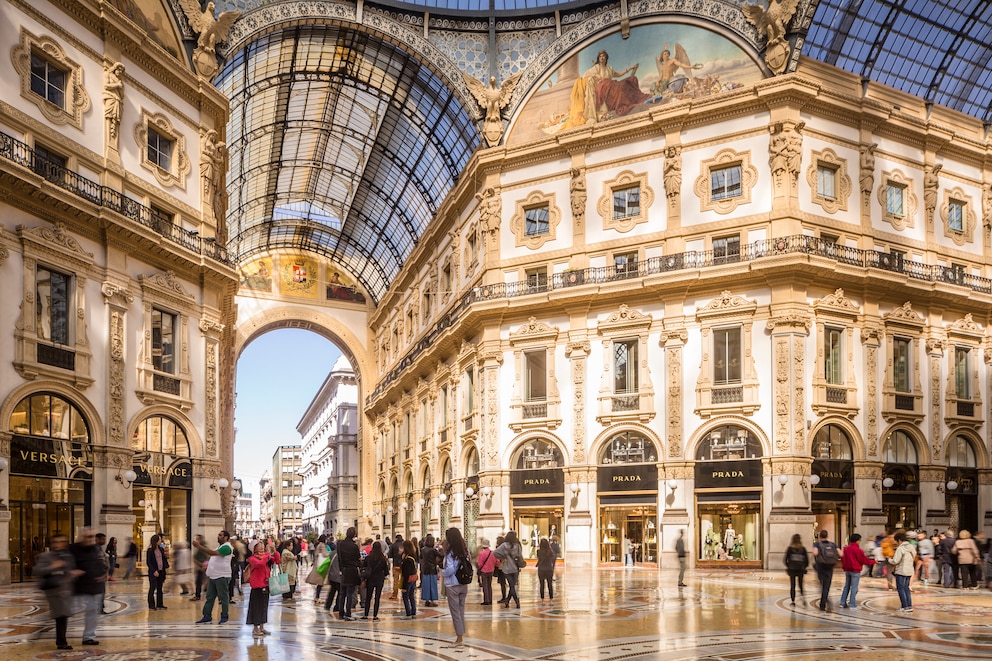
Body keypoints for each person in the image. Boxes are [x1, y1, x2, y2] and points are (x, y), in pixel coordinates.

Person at [563, 50, 650, 128]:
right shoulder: (596, 67)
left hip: (610, 84)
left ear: (606, 58)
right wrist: (595, 75)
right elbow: (585, 75)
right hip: (602, 87)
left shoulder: (609, 69)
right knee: (615, 85)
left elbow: (618, 74)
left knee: (624, 83)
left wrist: (630, 68)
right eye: (600, 56)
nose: (602, 57)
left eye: (603, 56)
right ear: (598, 58)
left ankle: (632, 99)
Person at [35, 534, 81, 650]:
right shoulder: (46, 556)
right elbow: (38, 571)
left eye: (62, 541)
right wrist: (53, 566)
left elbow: (69, 571)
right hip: (53, 590)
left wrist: (73, 574)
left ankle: (48, 635)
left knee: (61, 616)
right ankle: (61, 643)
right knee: (61, 616)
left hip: (65, 590)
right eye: (57, 541)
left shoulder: (68, 556)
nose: (60, 544)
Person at [70, 527, 107, 646]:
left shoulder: (95, 549)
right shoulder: (73, 549)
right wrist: (72, 571)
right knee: (68, 612)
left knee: (92, 611)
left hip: (92, 587)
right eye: (88, 537)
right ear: (82, 537)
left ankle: (88, 637)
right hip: (76, 587)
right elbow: (66, 563)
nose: (91, 539)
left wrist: (103, 573)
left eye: (92, 537)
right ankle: (60, 637)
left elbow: (101, 562)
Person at [194, 529, 234, 624]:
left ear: (226, 537)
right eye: (218, 535)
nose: (218, 536)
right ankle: (207, 616)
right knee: (210, 597)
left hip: (222, 576)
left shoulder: (227, 547)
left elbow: (212, 553)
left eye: (220, 535)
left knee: (223, 597)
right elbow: (214, 558)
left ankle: (224, 616)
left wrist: (199, 547)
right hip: (214, 576)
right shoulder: (219, 547)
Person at [440, 527, 471, 645]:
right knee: (461, 610)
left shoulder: (451, 552)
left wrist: (442, 572)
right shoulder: (464, 550)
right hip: (463, 583)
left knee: (455, 612)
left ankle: (459, 637)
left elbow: (451, 568)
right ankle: (461, 634)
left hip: (452, 584)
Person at [246, 541, 274, 637]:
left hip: (266, 584)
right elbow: (260, 564)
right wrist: (267, 555)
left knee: (264, 607)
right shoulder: (252, 559)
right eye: (259, 546)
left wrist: (274, 551)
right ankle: (255, 628)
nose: (262, 547)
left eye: (262, 545)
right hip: (257, 585)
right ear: (254, 548)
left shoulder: (266, 557)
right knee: (256, 607)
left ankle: (262, 626)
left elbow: (277, 560)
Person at [839, 533, 873, 609]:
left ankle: (842, 602)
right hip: (855, 570)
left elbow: (843, 559)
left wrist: (844, 567)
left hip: (848, 570)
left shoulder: (846, 549)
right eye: (860, 540)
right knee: (854, 587)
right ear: (857, 540)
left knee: (846, 587)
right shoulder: (858, 550)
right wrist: (873, 562)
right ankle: (852, 604)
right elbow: (864, 560)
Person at [494, 531, 524, 608]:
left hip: (506, 568)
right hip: (515, 568)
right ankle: (516, 600)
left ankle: (508, 600)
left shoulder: (504, 546)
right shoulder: (517, 546)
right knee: (512, 586)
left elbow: (495, 553)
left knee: (512, 586)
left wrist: (503, 557)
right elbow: (520, 555)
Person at [337, 527, 362, 620]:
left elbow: (339, 558)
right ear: (354, 535)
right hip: (352, 570)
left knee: (342, 593)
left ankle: (340, 613)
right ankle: (348, 613)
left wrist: (341, 569)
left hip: (344, 570)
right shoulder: (354, 546)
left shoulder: (340, 544)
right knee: (350, 593)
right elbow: (358, 558)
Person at [361, 539, 389, 620]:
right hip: (379, 579)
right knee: (377, 598)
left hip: (370, 579)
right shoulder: (383, 559)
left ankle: (366, 615)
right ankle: (375, 615)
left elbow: (364, 568)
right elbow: (386, 572)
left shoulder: (368, 558)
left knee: (368, 597)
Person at [889, 530, 917, 612]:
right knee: (906, 588)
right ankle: (908, 605)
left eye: (896, 541)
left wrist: (889, 560)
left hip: (901, 571)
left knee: (901, 588)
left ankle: (905, 606)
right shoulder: (911, 547)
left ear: (899, 540)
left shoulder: (900, 548)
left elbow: (896, 561)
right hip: (909, 570)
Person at [812, 529, 838, 611]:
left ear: (820, 536)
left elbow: (815, 553)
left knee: (822, 584)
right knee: (827, 585)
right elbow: (841, 553)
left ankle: (823, 603)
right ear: (827, 536)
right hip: (830, 567)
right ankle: (824, 601)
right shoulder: (833, 544)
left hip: (821, 566)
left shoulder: (817, 544)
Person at [784, 533, 808, 607]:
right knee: (801, 585)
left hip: (792, 569)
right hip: (800, 570)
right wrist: (804, 567)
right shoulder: (803, 549)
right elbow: (807, 561)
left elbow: (785, 560)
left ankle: (793, 601)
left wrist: (788, 566)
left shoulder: (790, 549)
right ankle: (803, 598)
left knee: (792, 585)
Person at [146, 534, 169, 610]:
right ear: (156, 541)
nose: (160, 541)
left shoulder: (161, 549)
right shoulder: (150, 551)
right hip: (154, 572)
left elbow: (163, 559)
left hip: (161, 571)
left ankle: (160, 604)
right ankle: (151, 605)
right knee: (152, 588)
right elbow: (149, 562)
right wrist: (154, 570)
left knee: (160, 588)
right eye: (159, 540)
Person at [400, 539, 419, 618]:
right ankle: (413, 612)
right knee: (411, 596)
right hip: (413, 578)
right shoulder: (413, 555)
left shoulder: (407, 559)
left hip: (408, 579)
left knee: (405, 596)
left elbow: (406, 573)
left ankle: (408, 613)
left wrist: (403, 586)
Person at [420, 535, 440, 607]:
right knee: (432, 585)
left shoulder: (423, 549)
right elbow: (441, 555)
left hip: (425, 569)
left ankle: (426, 600)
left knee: (426, 585)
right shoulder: (433, 550)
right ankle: (432, 600)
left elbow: (421, 557)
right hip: (432, 569)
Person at [477, 538, 497, 606]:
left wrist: (479, 569)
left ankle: (486, 600)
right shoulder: (493, 553)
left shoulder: (481, 553)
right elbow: (497, 562)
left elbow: (480, 564)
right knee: (489, 585)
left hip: (484, 571)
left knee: (485, 586)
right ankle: (490, 599)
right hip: (491, 570)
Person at [191, 534, 209, 600]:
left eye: (197, 539)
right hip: (202, 566)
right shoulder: (201, 547)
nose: (196, 540)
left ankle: (198, 595)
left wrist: (201, 564)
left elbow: (205, 556)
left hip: (202, 566)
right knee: (202, 580)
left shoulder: (201, 547)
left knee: (199, 581)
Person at [388, 534, 405, 600]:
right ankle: (404, 594)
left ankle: (395, 595)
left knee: (396, 581)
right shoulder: (404, 545)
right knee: (404, 580)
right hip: (403, 565)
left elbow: (390, 554)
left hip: (396, 565)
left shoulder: (393, 545)